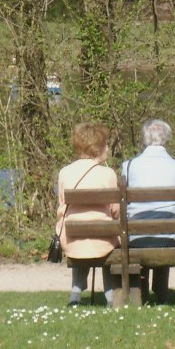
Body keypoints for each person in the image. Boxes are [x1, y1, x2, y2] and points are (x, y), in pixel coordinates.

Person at [56, 122, 120, 306]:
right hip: (104, 240)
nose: (108, 148)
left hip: (73, 238)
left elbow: (62, 206)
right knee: (109, 241)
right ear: (98, 148)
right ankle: (110, 298)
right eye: (106, 144)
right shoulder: (108, 174)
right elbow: (115, 209)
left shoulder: (65, 172)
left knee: (81, 238)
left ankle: (75, 295)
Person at [121, 119, 175, 303]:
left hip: (136, 237)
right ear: (167, 139)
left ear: (144, 139)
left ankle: (142, 291)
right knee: (166, 222)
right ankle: (161, 289)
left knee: (144, 224)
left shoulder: (128, 165)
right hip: (169, 238)